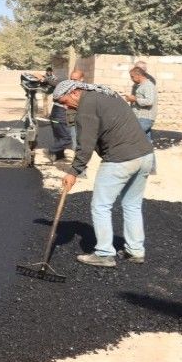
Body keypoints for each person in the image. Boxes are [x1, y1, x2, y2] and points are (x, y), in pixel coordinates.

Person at [54, 79, 154, 267]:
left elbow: (85, 145)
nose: (64, 106)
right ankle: (135, 251)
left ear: (75, 92)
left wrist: (73, 171)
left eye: (64, 101)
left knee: (101, 206)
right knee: (132, 204)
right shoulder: (104, 94)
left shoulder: (87, 107)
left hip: (120, 159)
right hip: (145, 156)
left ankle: (104, 253)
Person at [123, 65, 157, 173]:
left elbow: (149, 101)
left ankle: (128, 165)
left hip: (145, 118)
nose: (131, 79)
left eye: (132, 76)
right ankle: (151, 168)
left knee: (130, 137)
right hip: (140, 117)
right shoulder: (140, 85)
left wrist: (135, 99)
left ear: (139, 75)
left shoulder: (148, 85)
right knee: (147, 143)